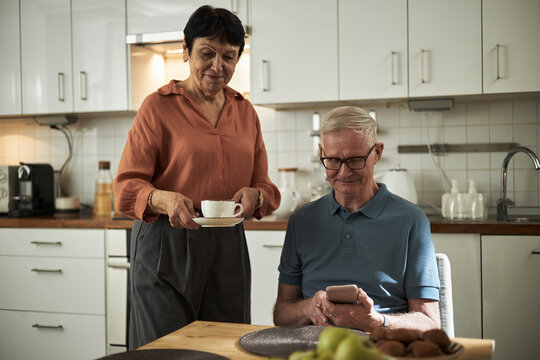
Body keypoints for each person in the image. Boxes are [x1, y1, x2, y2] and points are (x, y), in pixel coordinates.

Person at [114, 5, 280, 350]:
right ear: (186, 51)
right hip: (166, 243)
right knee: (167, 351)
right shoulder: (157, 107)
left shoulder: (245, 112)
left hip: (227, 248)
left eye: (229, 57)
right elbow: (127, 189)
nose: (217, 67)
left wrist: (257, 196)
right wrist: (164, 198)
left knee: (225, 347)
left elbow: (265, 186)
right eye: (207, 53)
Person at [273, 106, 440, 332]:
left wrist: (376, 321)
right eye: (332, 160)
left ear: (377, 153)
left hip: (382, 348)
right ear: (321, 153)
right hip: (314, 350)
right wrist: (307, 307)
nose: (343, 173)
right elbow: (281, 314)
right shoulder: (302, 220)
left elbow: (430, 323)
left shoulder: (411, 221)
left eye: (355, 160)